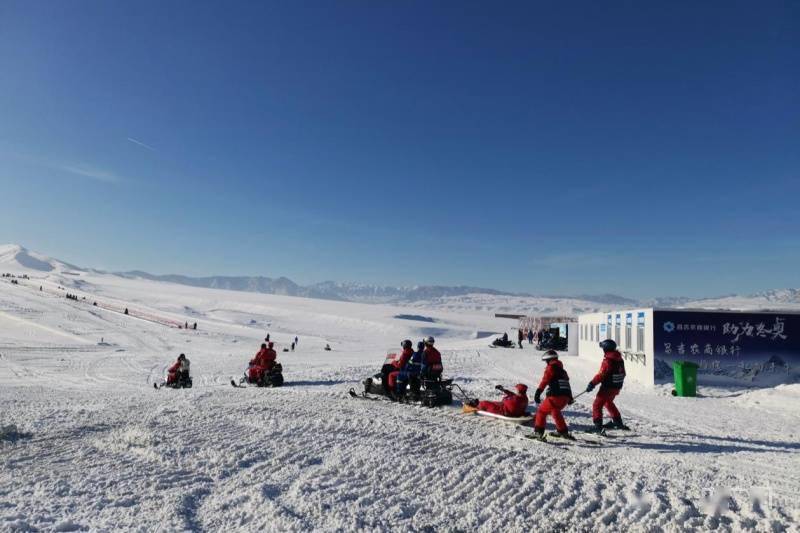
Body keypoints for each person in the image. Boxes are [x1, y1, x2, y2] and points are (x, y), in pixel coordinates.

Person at [586, 339, 629, 431]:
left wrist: (592, 383)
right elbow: (623, 373)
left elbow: (601, 375)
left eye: (603, 348)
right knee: (608, 402)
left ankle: (598, 427)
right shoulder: (619, 359)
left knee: (597, 405)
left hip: (607, 387)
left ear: (605, 349)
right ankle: (617, 422)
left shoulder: (608, 360)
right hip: (616, 387)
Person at [532, 350, 574, 440]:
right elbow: (566, 384)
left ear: (549, 360)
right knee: (555, 411)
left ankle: (538, 433)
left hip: (555, 396)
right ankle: (563, 431)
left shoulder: (551, 367)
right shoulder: (563, 371)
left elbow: (545, 380)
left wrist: (538, 392)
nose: (546, 364)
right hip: (565, 397)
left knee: (541, 412)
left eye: (546, 361)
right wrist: (570, 397)